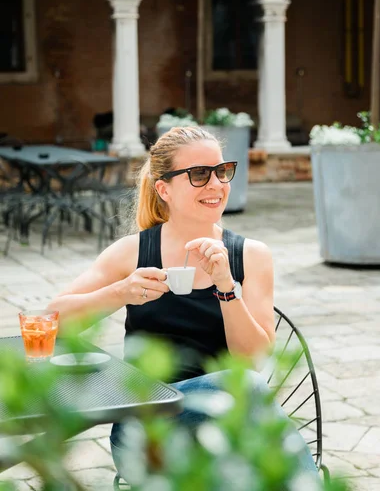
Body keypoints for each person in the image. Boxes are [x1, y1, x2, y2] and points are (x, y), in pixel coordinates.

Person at [47, 126, 318, 483]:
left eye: (222, 171)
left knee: (247, 394)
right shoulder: (133, 253)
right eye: (199, 174)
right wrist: (119, 292)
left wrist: (226, 286)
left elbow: (252, 360)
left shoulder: (250, 256)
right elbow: (47, 323)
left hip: (227, 434)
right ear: (164, 189)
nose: (216, 184)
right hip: (146, 436)